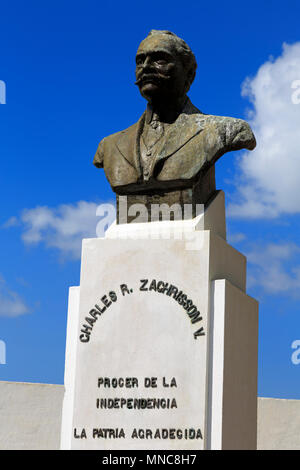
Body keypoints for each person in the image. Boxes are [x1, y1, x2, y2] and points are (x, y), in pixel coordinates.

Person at [93, 30, 256, 221]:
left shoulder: (224, 130)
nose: (146, 67)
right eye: (140, 61)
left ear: (189, 75)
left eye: (159, 60)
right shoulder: (110, 145)